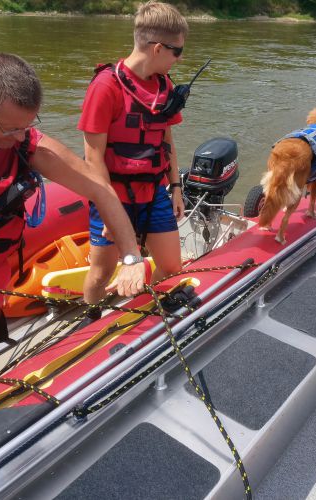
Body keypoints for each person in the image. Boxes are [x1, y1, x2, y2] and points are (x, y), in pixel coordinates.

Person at [0, 53, 146, 398]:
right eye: (10, 128)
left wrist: (130, 258)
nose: (20, 137)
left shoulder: (29, 146)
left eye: (27, 126)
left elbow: (101, 191)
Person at [78, 1, 188, 323]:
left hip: (153, 191)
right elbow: (92, 157)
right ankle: (92, 318)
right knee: (100, 272)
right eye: (177, 52)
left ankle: (137, 308)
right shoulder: (105, 87)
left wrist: (176, 187)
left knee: (171, 267)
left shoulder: (164, 85)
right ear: (157, 48)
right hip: (113, 193)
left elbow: (166, 139)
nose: (180, 59)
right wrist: (111, 207)